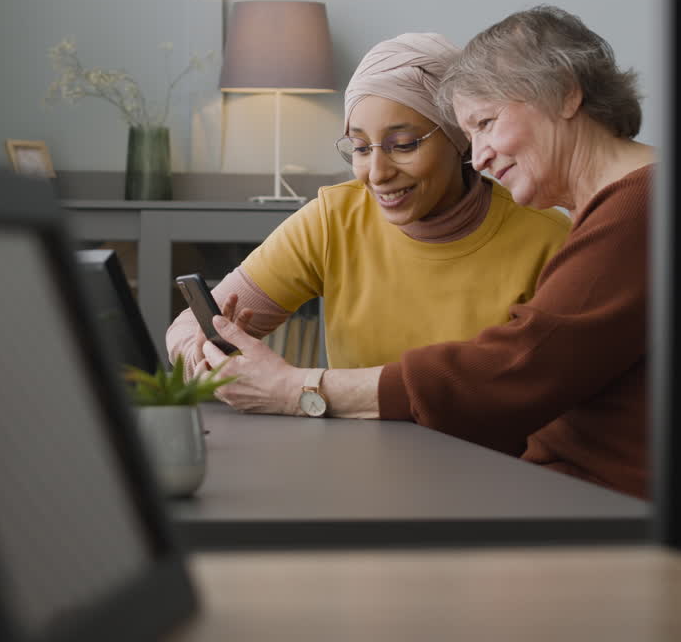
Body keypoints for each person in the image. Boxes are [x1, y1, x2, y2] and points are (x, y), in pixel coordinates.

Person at [204, 5, 681, 517]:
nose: (480, 155)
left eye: (487, 123)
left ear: (567, 93)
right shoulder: (635, 203)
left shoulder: (647, 209)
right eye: (470, 132)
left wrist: (297, 388)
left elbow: (510, 371)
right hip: (609, 497)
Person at [166, 33, 571, 404]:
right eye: (360, 148)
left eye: (404, 145)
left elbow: (527, 395)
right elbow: (188, 327)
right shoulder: (333, 219)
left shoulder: (550, 240)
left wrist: (294, 389)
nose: (376, 173)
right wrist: (200, 356)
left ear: (459, 137)